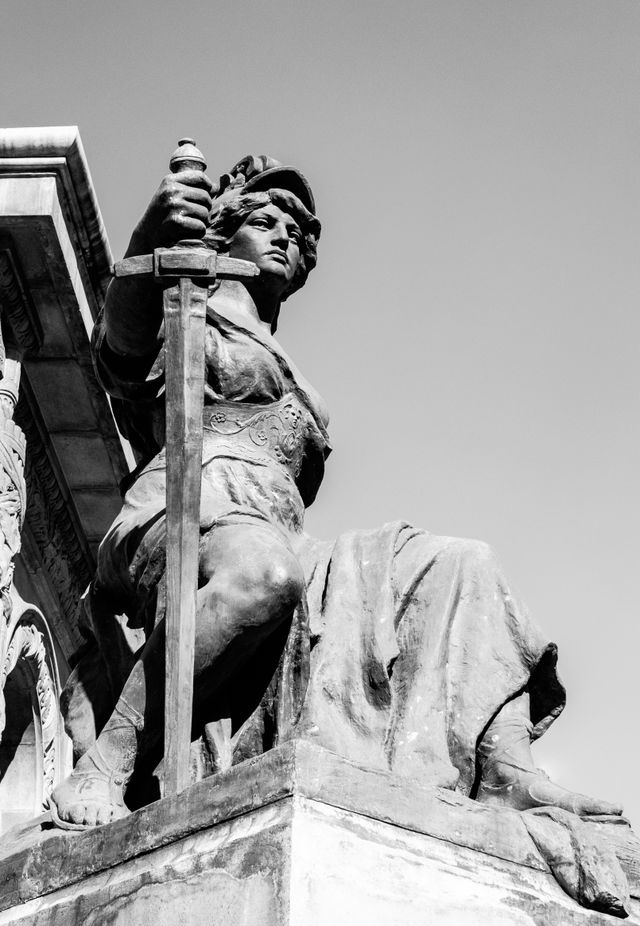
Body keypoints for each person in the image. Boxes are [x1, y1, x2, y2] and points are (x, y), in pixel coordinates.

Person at [49, 155, 622, 849]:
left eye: (295, 230)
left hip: (283, 530)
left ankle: (504, 766)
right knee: (264, 576)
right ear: (223, 235)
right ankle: (111, 757)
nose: (283, 236)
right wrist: (153, 233)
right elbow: (121, 344)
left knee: (459, 565)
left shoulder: (287, 365)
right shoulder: (187, 305)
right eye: (263, 221)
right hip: (191, 509)